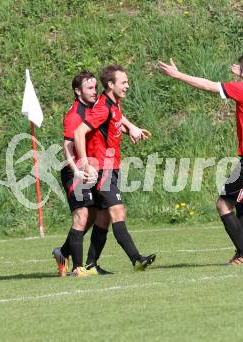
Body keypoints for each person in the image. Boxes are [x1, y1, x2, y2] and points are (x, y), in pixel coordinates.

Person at [157, 52, 243, 265]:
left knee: (223, 205)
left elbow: (207, 85)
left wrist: (177, 75)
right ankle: (242, 253)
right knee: (240, 200)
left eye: (242, 70)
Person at [53, 70, 151, 277]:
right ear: (78, 92)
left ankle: (71, 256)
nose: (94, 91)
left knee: (100, 217)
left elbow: (113, 117)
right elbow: (69, 146)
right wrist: (80, 168)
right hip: (79, 170)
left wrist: (131, 128)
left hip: (98, 168)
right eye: (90, 88)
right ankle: (81, 267)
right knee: (85, 216)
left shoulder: (101, 105)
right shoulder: (75, 115)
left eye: (95, 87)